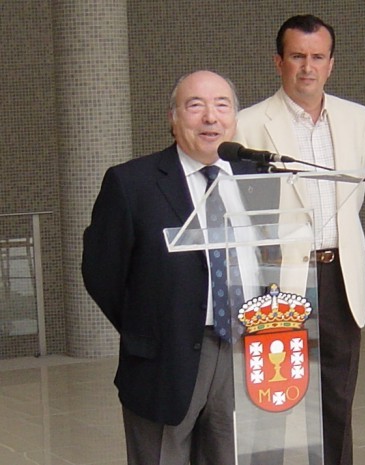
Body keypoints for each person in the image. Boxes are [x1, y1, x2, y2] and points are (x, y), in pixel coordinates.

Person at [82, 70, 256, 465]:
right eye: (195, 106)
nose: (211, 117)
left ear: (234, 117)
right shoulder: (132, 183)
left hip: (241, 351)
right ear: (173, 118)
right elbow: (101, 272)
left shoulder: (254, 178)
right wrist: (148, 326)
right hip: (165, 355)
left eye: (222, 105)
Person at [234, 14, 365, 465]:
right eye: (297, 56)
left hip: (340, 276)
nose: (307, 67)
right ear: (279, 62)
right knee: (273, 401)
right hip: (279, 282)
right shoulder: (249, 123)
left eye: (317, 57)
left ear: (332, 64)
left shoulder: (356, 117)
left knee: (337, 400)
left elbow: (354, 198)